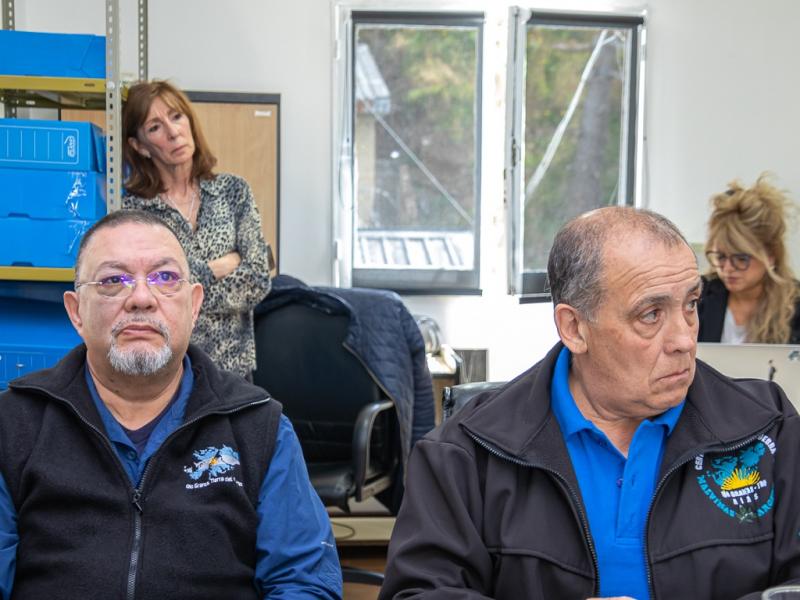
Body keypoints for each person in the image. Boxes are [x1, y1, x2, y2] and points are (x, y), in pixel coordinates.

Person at [380, 207, 800, 599]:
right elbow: (419, 592)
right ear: (574, 327)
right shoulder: (466, 453)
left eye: (690, 305)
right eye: (651, 314)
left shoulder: (768, 428)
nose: (685, 339)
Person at [0, 210, 342, 600]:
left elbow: (303, 582)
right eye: (114, 281)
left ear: (194, 305)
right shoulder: (14, 424)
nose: (141, 299)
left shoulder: (259, 427)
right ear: (77, 312)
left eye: (165, 278)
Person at [122, 80, 272, 378]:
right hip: (165, 372)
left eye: (176, 117)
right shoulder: (134, 212)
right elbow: (147, 291)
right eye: (155, 127)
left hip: (234, 371)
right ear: (140, 146)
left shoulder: (233, 191)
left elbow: (258, 278)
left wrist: (183, 287)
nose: (173, 132)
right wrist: (219, 267)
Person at [699, 174, 800, 343]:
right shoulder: (699, 297)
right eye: (721, 257)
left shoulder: (795, 306)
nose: (728, 268)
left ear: (770, 256)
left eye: (741, 258)